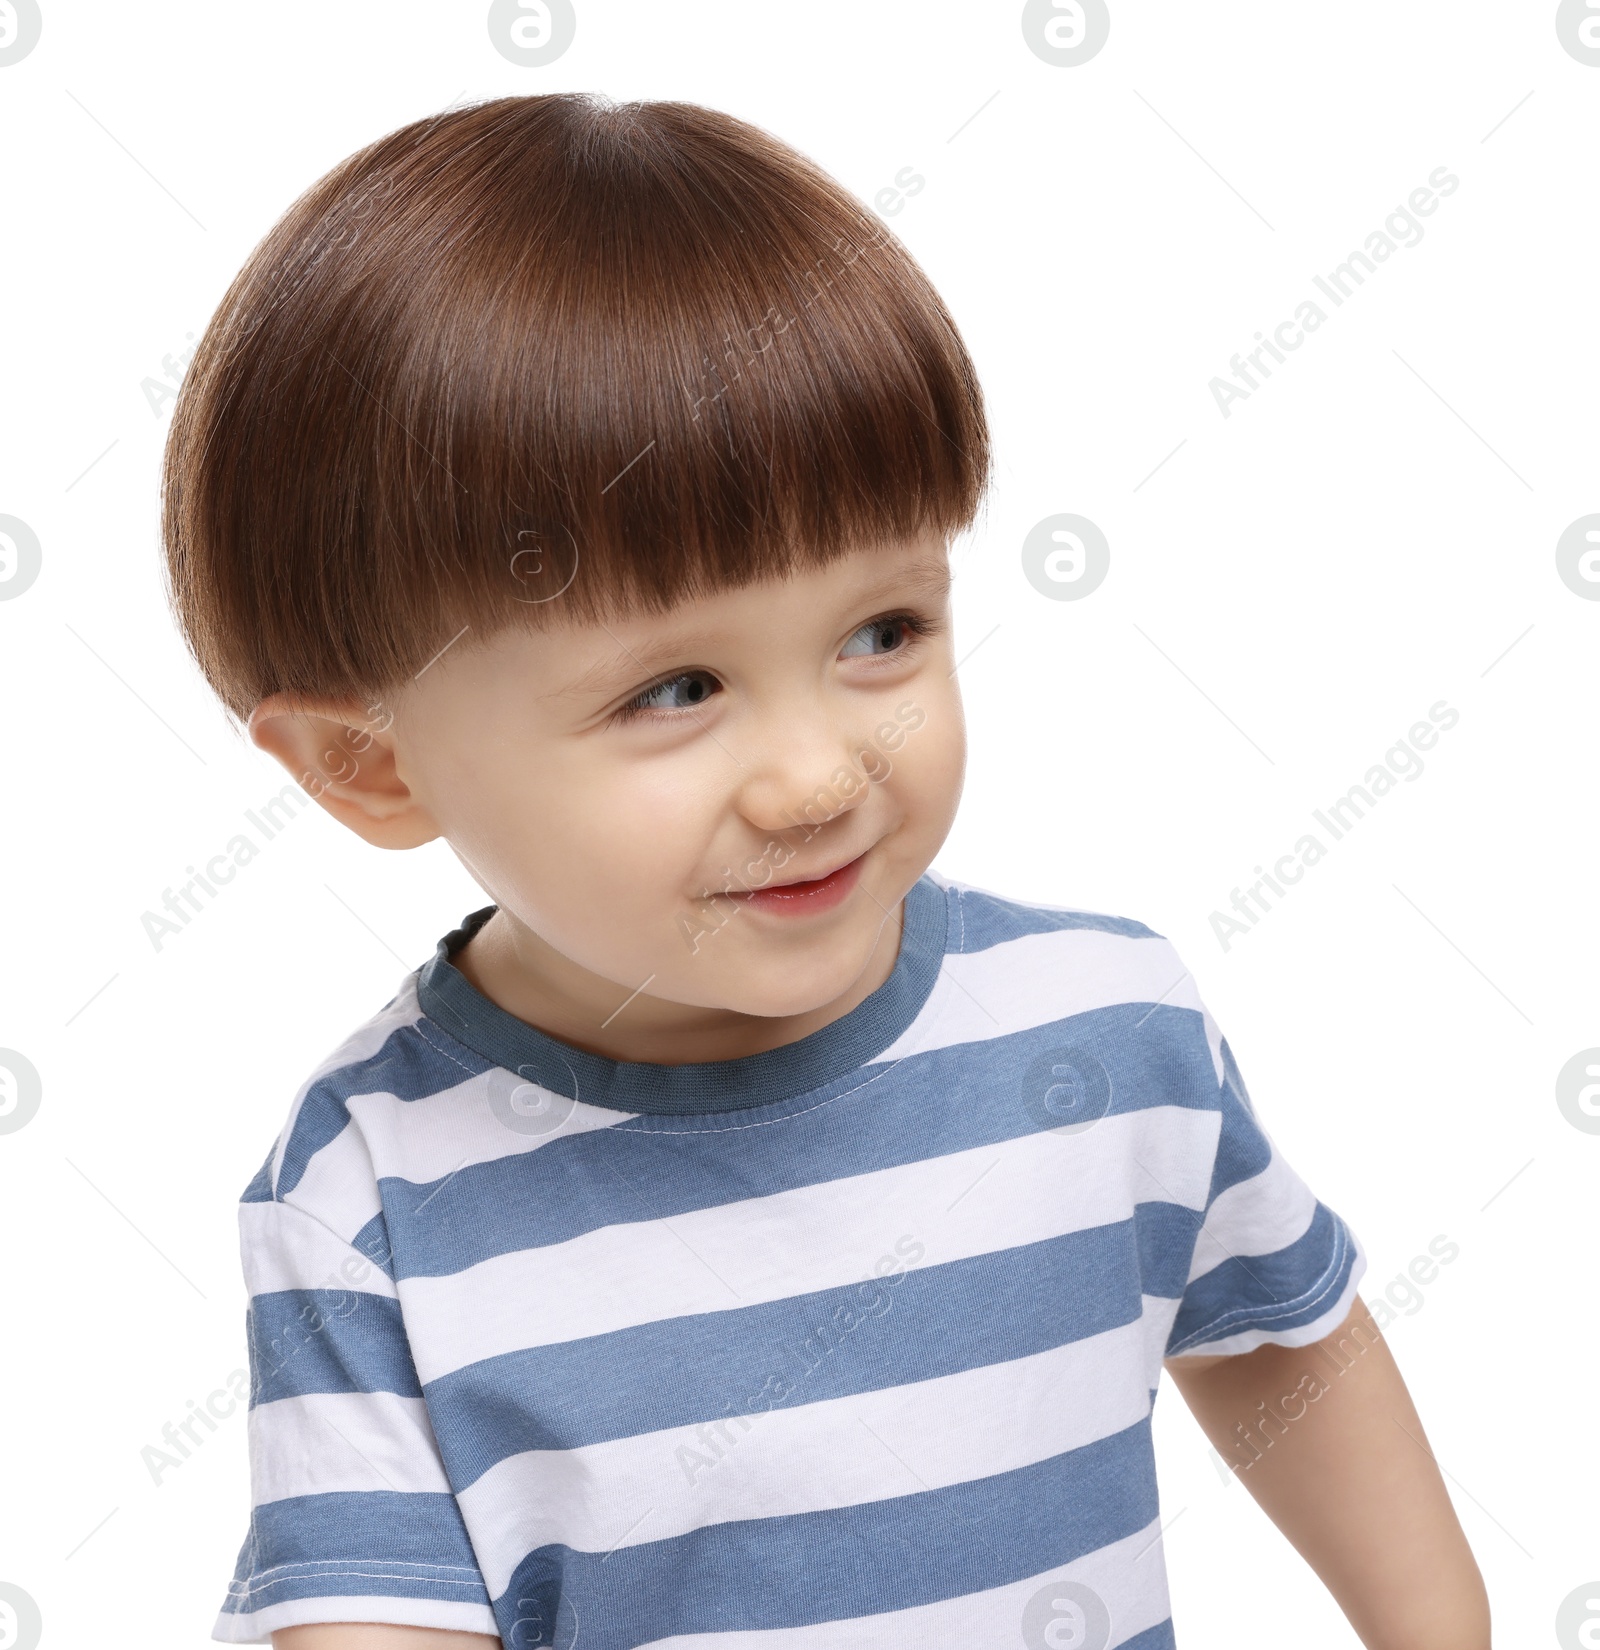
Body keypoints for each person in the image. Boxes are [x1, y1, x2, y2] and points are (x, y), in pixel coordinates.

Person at [162, 92, 1489, 1650]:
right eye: (675, 690)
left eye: (881, 633)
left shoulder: (1100, 1033)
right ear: (369, 764)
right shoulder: (370, 1193)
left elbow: (1284, 1339)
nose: (817, 775)